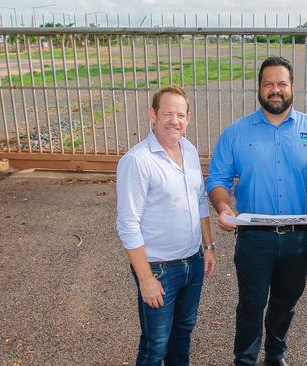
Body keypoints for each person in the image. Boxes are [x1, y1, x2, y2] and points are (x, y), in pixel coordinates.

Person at [207, 56, 307, 366]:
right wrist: (223, 206)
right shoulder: (236, 133)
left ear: (293, 87)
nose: (275, 90)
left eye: (282, 83)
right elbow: (217, 178)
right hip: (254, 239)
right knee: (252, 304)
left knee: (285, 303)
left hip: (296, 240)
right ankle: (245, 359)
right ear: (259, 88)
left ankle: (275, 355)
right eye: (269, 84)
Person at [116, 86, 217, 366]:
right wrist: (146, 279)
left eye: (181, 114)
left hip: (192, 263)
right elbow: (128, 225)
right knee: (155, 346)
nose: (175, 120)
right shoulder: (137, 161)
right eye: (168, 113)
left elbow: (199, 201)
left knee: (183, 333)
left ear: (188, 118)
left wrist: (207, 248)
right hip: (159, 269)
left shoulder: (190, 150)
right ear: (153, 114)